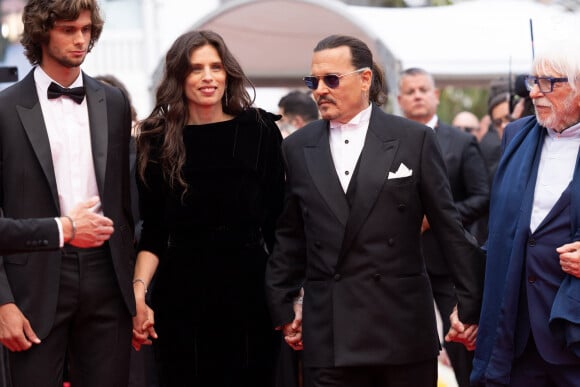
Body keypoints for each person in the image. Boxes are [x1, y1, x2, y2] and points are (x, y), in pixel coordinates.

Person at [265, 34, 484, 387]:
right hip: (330, 332)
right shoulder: (297, 147)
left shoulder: (413, 139)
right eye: (313, 81)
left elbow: (449, 227)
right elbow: (291, 234)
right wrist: (284, 302)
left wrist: (469, 304)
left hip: (402, 330)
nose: (319, 90)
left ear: (365, 79)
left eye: (331, 79)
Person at [131, 30, 285, 387]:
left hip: (251, 292)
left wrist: (291, 295)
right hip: (179, 295)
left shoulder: (259, 130)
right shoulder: (156, 138)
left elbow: (278, 225)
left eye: (216, 67)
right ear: (178, 76)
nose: (208, 77)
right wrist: (139, 291)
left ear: (228, 72)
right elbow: (153, 230)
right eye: (196, 68)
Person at [0, 0, 136, 386]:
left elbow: (125, 204)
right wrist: (3, 303)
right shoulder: (5, 109)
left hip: (107, 276)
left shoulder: (113, 102)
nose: (80, 40)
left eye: (86, 29)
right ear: (42, 31)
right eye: (68, 29)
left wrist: (134, 290)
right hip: (33, 279)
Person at [461, 41, 580, 386]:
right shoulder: (516, 135)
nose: (534, 93)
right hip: (516, 329)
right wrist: (471, 306)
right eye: (532, 81)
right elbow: (499, 230)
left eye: (549, 83)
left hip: (572, 327)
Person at [397, 67, 489, 387]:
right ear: (400, 100)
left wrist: (436, 218)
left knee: (463, 344)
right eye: (410, 91)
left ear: (436, 95)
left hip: (451, 263)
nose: (418, 95)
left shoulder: (462, 142)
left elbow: (482, 197)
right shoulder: (391, 142)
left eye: (423, 89)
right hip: (402, 265)